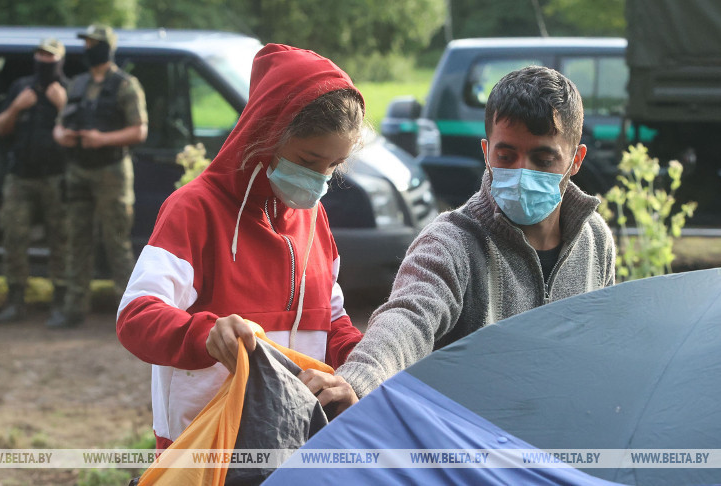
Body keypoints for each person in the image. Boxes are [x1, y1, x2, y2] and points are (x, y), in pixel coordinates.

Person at [301, 65, 617, 410]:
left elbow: (603, 341)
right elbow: (409, 317)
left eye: (543, 159)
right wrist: (359, 379)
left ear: (576, 159)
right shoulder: (452, 242)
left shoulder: (594, 239)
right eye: (506, 156)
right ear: (486, 152)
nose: (522, 173)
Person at [115, 44, 365, 450]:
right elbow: (135, 317)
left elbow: (333, 322)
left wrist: (355, 372)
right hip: (204, 448)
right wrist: (205, 334)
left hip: (296, 446)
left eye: (333, 166)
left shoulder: (313, 218)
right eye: (308, 160)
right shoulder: (195, 209)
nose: (319, 180)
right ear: (266, 134)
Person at [50, 24, 148, 328]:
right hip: (79, 169)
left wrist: (102, 139)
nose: (87, 49)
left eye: (93, 44)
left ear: (106, 47)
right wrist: (62, 135)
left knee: (116, 241)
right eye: (86, 43)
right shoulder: (77, 83)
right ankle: (74, 308)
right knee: (76, 238)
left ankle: (130, 314)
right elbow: (59, 124)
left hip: (111, 172)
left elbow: (140, 130)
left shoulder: (125, 85)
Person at [0, 38, 69, 325]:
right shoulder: (20, 88)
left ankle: (60, 302)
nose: (45, 61)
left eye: (51, 57)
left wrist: (62, 106)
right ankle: (15, 300)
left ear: (60, 60)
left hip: (56, 176)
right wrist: (16, 107)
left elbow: (79, 135)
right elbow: (0, 127)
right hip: (20, 175)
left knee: (61, 239)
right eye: (41, 55)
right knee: (13, 236)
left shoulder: (69, 90)